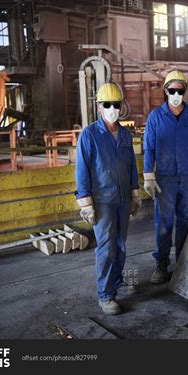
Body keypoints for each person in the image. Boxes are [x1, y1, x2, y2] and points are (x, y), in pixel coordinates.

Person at [75, 82, 142, 315]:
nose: (112, 109)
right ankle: (105, 295)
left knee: (121, 245)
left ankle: (117, 281)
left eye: (116, 104)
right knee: (106, 247)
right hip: (102, 201)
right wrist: (86, 203)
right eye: (107, 105)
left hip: (123, 198)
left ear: (121, 106)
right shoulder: (89, 135)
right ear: (99, 107)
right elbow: (82, 171)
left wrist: (135, 194)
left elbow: (132, 165)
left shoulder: (124, 134)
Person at [143, 70, 188, 284]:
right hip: (165, 178)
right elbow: (149, 148)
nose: (176, 94)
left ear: (185, 91)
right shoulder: (155, 117)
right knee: (163, 222)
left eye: (179, 90)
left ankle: (182, 263)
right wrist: (148, 176)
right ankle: (162, 265)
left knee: (185, 222)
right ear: (165, 91)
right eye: (172, 90)